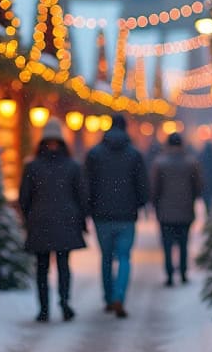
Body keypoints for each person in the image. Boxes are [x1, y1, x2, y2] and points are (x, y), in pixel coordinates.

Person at [19, 118, 88, 323]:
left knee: (42, 268)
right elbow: (82, 196)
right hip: (66, 222)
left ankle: (44, 309)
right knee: (63, 266)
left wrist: (29, 218)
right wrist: (81, 219)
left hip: (40, 222)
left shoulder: (32, 167)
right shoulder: (72, 166)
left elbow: (25, 198)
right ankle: (64, 303)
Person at [84, 112, 149, 319]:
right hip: (126, 215)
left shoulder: (94, 154)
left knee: (106, 258)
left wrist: (88, 209)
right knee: (124, 257)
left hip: (102, 215)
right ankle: (120, 295)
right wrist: (139, 203)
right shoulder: (134, 154)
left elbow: (87, 185)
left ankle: (109, 298)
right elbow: (143, 186)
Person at [151, 131, 203, 285]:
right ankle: (183, 272)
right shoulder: (191, 163)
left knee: (167, 245)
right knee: (183, 243)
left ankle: (169, 274)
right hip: (185, 210)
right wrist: (191, 199)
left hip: (165, 211)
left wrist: (156, 205)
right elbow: (198, 187)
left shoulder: (159, 163)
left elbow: (155, 189)